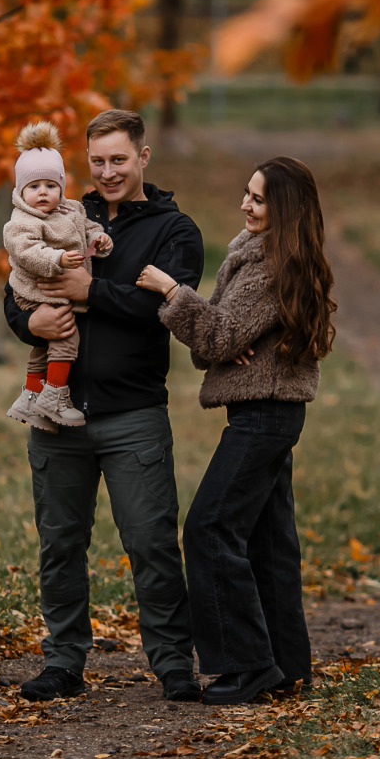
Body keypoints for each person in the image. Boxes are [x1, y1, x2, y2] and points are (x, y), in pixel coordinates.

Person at [3, 108, 205, 703]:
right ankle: (64, 661)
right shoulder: (61, 210)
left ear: (143, 157)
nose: (108, 172)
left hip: (132, 414)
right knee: (60, 543)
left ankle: (172, 663)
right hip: (55, 412)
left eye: (119, 159)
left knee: (150, 542)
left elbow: (161, 308)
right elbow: (18, 282)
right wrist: (28, 321)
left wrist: (93, 291)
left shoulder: (174, 230)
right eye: (97, 162)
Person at [137, 156, 336, 705]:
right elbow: (220, 340)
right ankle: (287, 665)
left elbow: (218, 336)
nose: (245, 205)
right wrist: (220, 336)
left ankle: (247, 666)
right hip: (264, 411)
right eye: (246, 194)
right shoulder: (269, 258)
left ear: (285, 209)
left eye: (259, 198)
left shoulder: (272, 264)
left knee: (209, 528)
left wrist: (171, 291)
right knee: (268, 543)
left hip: (266, 413)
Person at [2, 121, 113, 431]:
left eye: (51, 186)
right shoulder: (21, 222)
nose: (43, 193)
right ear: (21, 190)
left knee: (43, 347)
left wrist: (100, 238)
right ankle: (54, 397)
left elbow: (87, 227)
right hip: (37, 292)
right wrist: (58, 259)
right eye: (34, 187)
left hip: (53, 290)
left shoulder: (71, 209)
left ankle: (32, 396)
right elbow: (27, 253)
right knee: (66, 337)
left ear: (62, 188)